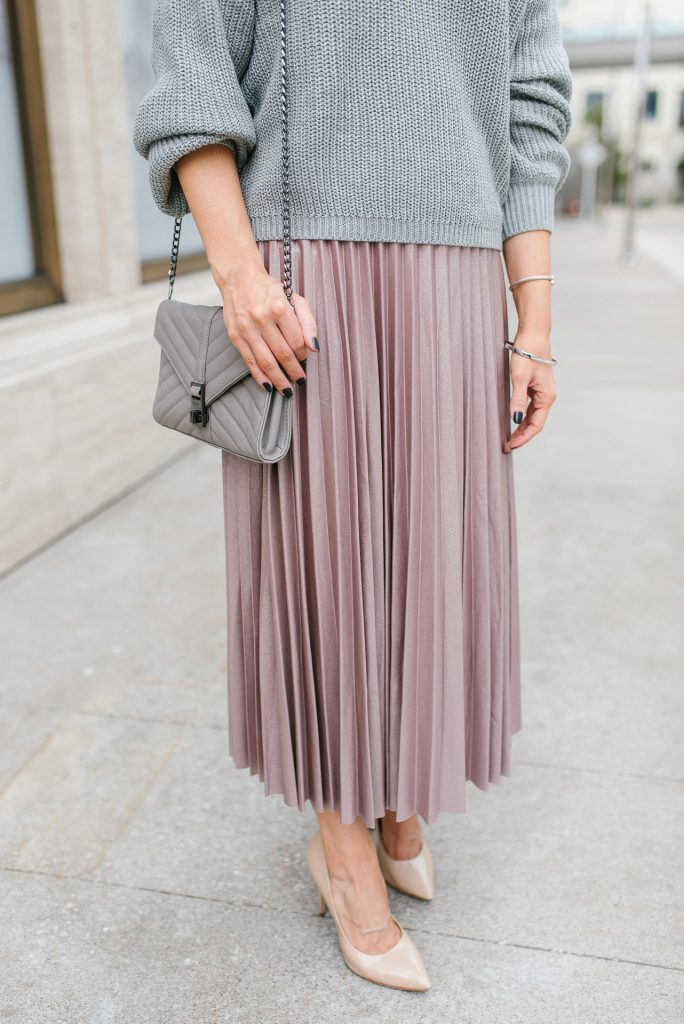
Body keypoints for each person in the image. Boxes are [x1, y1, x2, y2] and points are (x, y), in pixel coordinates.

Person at [134, 0, 572, 992]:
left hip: (461, 279)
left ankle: (398, 790)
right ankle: (341, 840)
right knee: (326, 568)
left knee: (433, 565)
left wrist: (533, 314)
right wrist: (237, 273)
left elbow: (529, 90)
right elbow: (196, 68)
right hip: (301, 270)